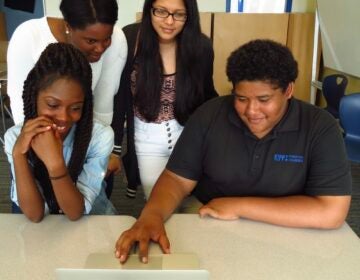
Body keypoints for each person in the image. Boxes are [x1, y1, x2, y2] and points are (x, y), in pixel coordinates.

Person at [115, 39, 352, 263]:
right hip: (212, 217)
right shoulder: (209, 115)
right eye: (241, 98)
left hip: (289, 226)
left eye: (264, 99)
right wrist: (151, 216)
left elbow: (330, 212)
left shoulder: (320, 127)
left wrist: (238, 206)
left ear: (288, 90)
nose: (251, 110)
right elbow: (177, 179)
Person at [7, 0, 127, 196]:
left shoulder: (117, 41)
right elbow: (24, 109)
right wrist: (48, 157)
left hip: (87, 148)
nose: (100, 48)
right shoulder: (29, 36)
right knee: (34, 219)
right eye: (91, 41)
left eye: (106, 39)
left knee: (91, 212)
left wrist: (107, 152)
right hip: (37, 146)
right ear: (68, 27)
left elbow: (104, 106)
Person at [111, 0, 218, 200]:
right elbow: (118, 96)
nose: (169, 21)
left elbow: (207, 94)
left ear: (189, 16)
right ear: (149, 10)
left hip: (187, 135)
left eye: (179, 14)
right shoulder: (131, 38)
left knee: (192, 203)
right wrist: (115, 147)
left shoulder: (201, 46)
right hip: (147, 138)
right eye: (161, 11)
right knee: (157, 202)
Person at [4, 43, 116, 222]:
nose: (64, 117)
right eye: (53, 105)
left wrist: (55, 164)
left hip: (94, 222)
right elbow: (34, 215)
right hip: (46, 228)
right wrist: (18, 154)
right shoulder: (15, 138)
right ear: (34, 97)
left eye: (76, 107)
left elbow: (75, 213)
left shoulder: (100, 137)